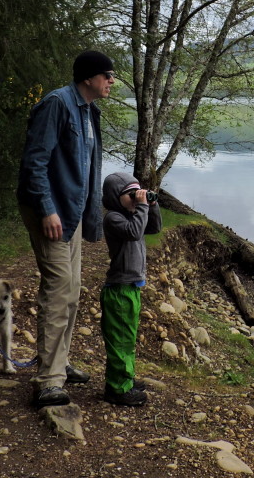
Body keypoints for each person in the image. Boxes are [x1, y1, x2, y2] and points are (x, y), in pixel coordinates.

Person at [16, 50, 114, 408]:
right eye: (107, 75)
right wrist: (46, 209)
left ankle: (58, 362)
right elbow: (35, 161)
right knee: (58, 291)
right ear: (88, 77)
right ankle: (48, 381)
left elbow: (87, 168)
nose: (111, 81)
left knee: (71, 290)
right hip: (51, 211)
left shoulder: (89, 110)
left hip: (69, 213)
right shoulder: (57, 104)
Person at [100, 171, 162, 406]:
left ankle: (125, 379)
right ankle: (117, 389)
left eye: (138, 193)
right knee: (120, 341)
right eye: (131, 195)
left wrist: (152, 205)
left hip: (131, 289)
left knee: (128, 338)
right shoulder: (113, 218)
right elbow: (134, 232)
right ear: (116, 197)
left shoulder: (132, 215)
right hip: (119, 290)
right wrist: (142, 206)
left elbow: (153, 228)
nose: (136, 199)